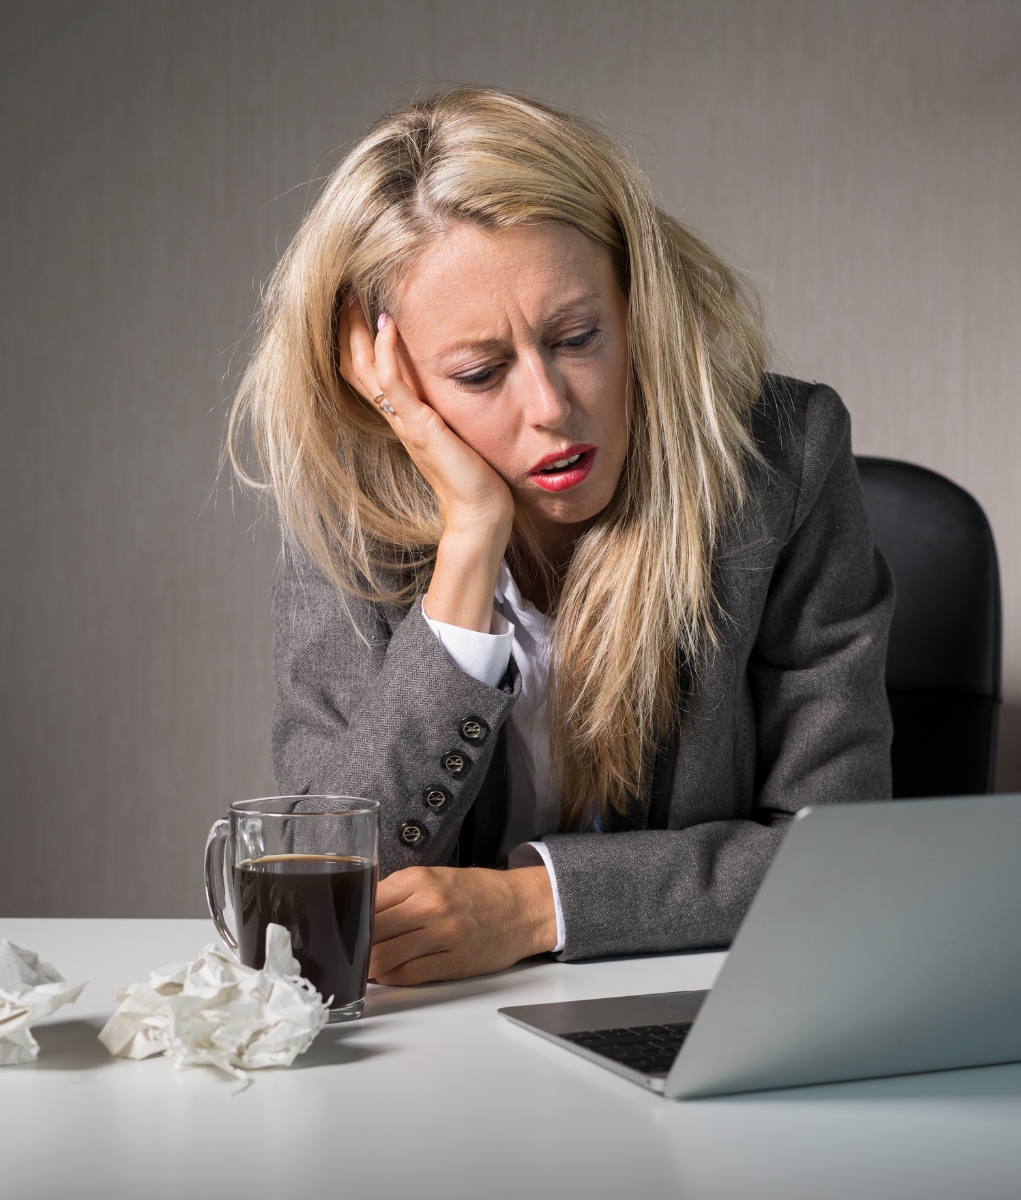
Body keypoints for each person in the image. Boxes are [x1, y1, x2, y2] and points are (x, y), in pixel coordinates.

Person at [228, 86, 893, 987]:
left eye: (578, 337)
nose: (550, 408)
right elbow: (322, 898)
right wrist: (468, 550)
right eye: (479, 371)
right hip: (436, 1054)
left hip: (701, 1012)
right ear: (393, 386)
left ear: (635, 304)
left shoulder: (779, 463)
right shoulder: (352, 514)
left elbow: (841, 857)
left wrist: (540, 905)